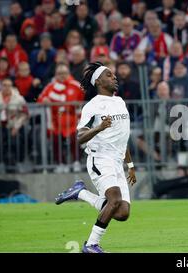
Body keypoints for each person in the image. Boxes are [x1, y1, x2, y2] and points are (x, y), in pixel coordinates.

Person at [55, 62, 137, 253]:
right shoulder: (92, 106)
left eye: (113, 75)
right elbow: (80, 137)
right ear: (98, 81)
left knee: (122, 213)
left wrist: (130, 165)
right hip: (100, 159)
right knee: (114, 200)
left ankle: (80, 193)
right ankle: (91, 245)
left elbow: (122, 137)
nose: (114, 77)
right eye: (109, 75)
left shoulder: (120, 102)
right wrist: (99, 127)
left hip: (117, 162)